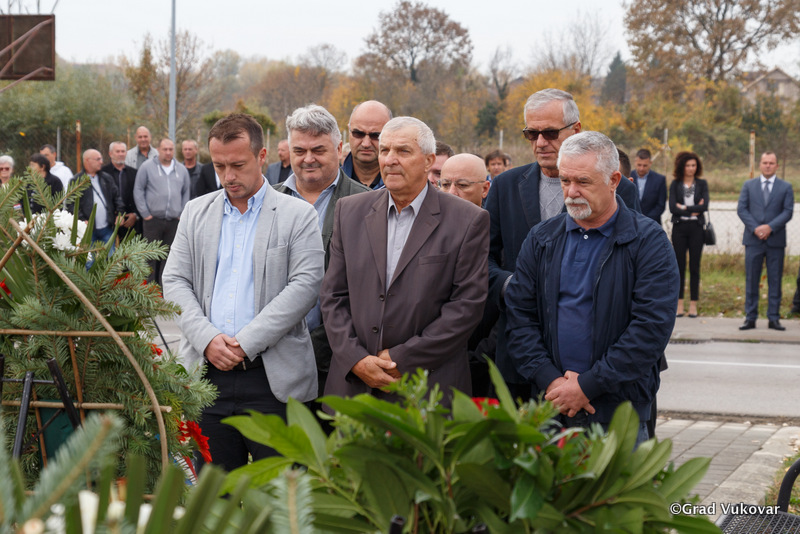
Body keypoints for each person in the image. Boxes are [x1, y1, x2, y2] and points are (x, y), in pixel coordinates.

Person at [162, 113, 324, 473]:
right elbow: (174, 281)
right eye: (219, 166)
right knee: (213, 493)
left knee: (281, 492)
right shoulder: (195, 212)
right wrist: (207, 339)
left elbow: (305, 285)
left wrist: (245, 343)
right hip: (206, 378)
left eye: (237, 165)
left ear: (262, 155)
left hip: (273, 381)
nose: (228, 176)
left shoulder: (298, 215)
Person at [505, 131, 679, 444]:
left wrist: (587, 386)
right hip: (551, 407)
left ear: (614, 180)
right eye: (565, 180)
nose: (571, 192)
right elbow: (520, 318)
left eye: (583, 182)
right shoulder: (542, 238)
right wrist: (551, 381)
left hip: (619, 413)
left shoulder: (647, 241)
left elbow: (650, 329)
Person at [321, 117, 489, 407]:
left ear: (428, 161)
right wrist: (356, 359)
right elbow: (332, 296)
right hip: (354, 388)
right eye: (385, 150)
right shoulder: (349, 211)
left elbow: (466, 307)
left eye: (403, 151)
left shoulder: (467, 220)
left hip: (427, 391)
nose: (390, 160)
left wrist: (401, 358)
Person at [485, 88, 641, 400]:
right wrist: (513, 286)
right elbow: (481, 259)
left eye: (550, 133)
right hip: (521, 356)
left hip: (594, 362)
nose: (541, 142)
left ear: (576, 129)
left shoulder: (618, 189)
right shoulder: (505, 186)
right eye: (531, 134)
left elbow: (632, 265)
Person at [274, 104, 370, 398]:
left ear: (339, 150)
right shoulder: (267, 201)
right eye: (299, 150)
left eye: (318, 150)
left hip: (339, 362)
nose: (308, 159)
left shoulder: (367, 205)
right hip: (274, 359)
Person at [438, 153, 496, 396]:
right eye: (445, 184)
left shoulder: (497, 236)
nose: (452, 193)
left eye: (462, 185)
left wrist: (479, 356)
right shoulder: (423, 233)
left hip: (485, 365)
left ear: (485, 189)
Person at [737, 151, 794, 331]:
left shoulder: (786, 187)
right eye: (765, 162)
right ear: (760, 164)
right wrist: (756, 228)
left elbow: (788, 211)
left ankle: (773, 318)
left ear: (777, 166)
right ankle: (750, 318)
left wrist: (769, 227)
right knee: (751, 280)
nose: (768, 165)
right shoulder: (748, 185)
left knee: (775, 281)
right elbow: (742, 209)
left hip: (775, 241)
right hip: (753, 240)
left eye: (771, 163)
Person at [133, 138, 191, 285]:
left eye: (171, 149)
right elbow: (138, 190)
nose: (168, 152)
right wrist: (145, 214)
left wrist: (181, 213)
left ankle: (165, 289)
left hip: (174, 221)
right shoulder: (147, 167)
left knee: (170, 257)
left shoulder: (181, 169)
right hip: (153, 220)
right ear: (158, 150)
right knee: (150, 257)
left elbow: (186, 192)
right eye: (165, 149)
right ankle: (149, 289)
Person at [669, 152, 709, 318]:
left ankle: (693, 304)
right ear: (682, 167)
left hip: (696, 229)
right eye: (688, 165)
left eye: (693, 165)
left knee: (694, 266)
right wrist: (693, 209)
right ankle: (679, 304)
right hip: (679, 228)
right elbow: (672, 207)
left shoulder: (702, 184)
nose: (691, 168)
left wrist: (684, 208)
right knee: (679, 266)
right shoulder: (675, 184)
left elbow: (704, 206)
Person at [70, 149, 124, 245]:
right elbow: (71, 204)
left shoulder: (106, 178)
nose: (101, 162)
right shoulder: (76, 181)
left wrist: (120, 214)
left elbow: (117, 198)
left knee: (110, 254)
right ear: (87, 160)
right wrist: (81, 220)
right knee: (89, 255)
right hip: (88, 230)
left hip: (107, 228)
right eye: (98, 159)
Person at [341, 100, 392, 189]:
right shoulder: (329, 183)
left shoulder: (405, 186)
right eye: (358, 134)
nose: (366, 144)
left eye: (375, 135)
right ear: (349, 130)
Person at [101, 142, 140, 240]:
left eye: (123, 151)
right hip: (108, 223)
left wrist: (135, 215)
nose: (120, 154)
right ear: (110, 154)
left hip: (130, 222)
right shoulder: (102, 173)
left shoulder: (134, 173)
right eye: (117, 151)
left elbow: (140, 195)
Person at [632, 148, 667, 225]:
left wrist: (645, 219)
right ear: (635, 162)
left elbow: (661, 205)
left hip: (652, 224)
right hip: (631, 223)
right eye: (639, 165)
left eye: (645, 165)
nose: (641, 168)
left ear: (650, 163)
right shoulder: (626, 177)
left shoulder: (660, 180)